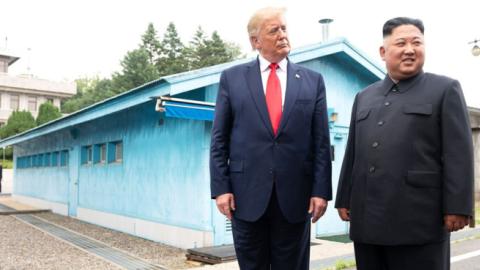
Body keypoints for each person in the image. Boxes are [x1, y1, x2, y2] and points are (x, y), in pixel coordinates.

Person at [335, 17, 474, 270]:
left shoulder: (444, 89)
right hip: (368, 220)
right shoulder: (364, 96)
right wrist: (344, 197)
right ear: (383, 51)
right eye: (401, 43)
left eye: (416, 43)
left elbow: (459, 153)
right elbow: (353, 152)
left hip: (419, 219)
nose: (410, 49)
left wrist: (458, 206)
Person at [210, 6, 332, 270]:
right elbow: (219, 139)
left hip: (295, 197)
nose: (282, 35)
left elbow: (321, 142)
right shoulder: (232, 79)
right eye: (274, 30)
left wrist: (320, 190)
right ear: (255, 41)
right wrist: (221, 188)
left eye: (284, 28)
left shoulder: (312, 81)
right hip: (246, 196)